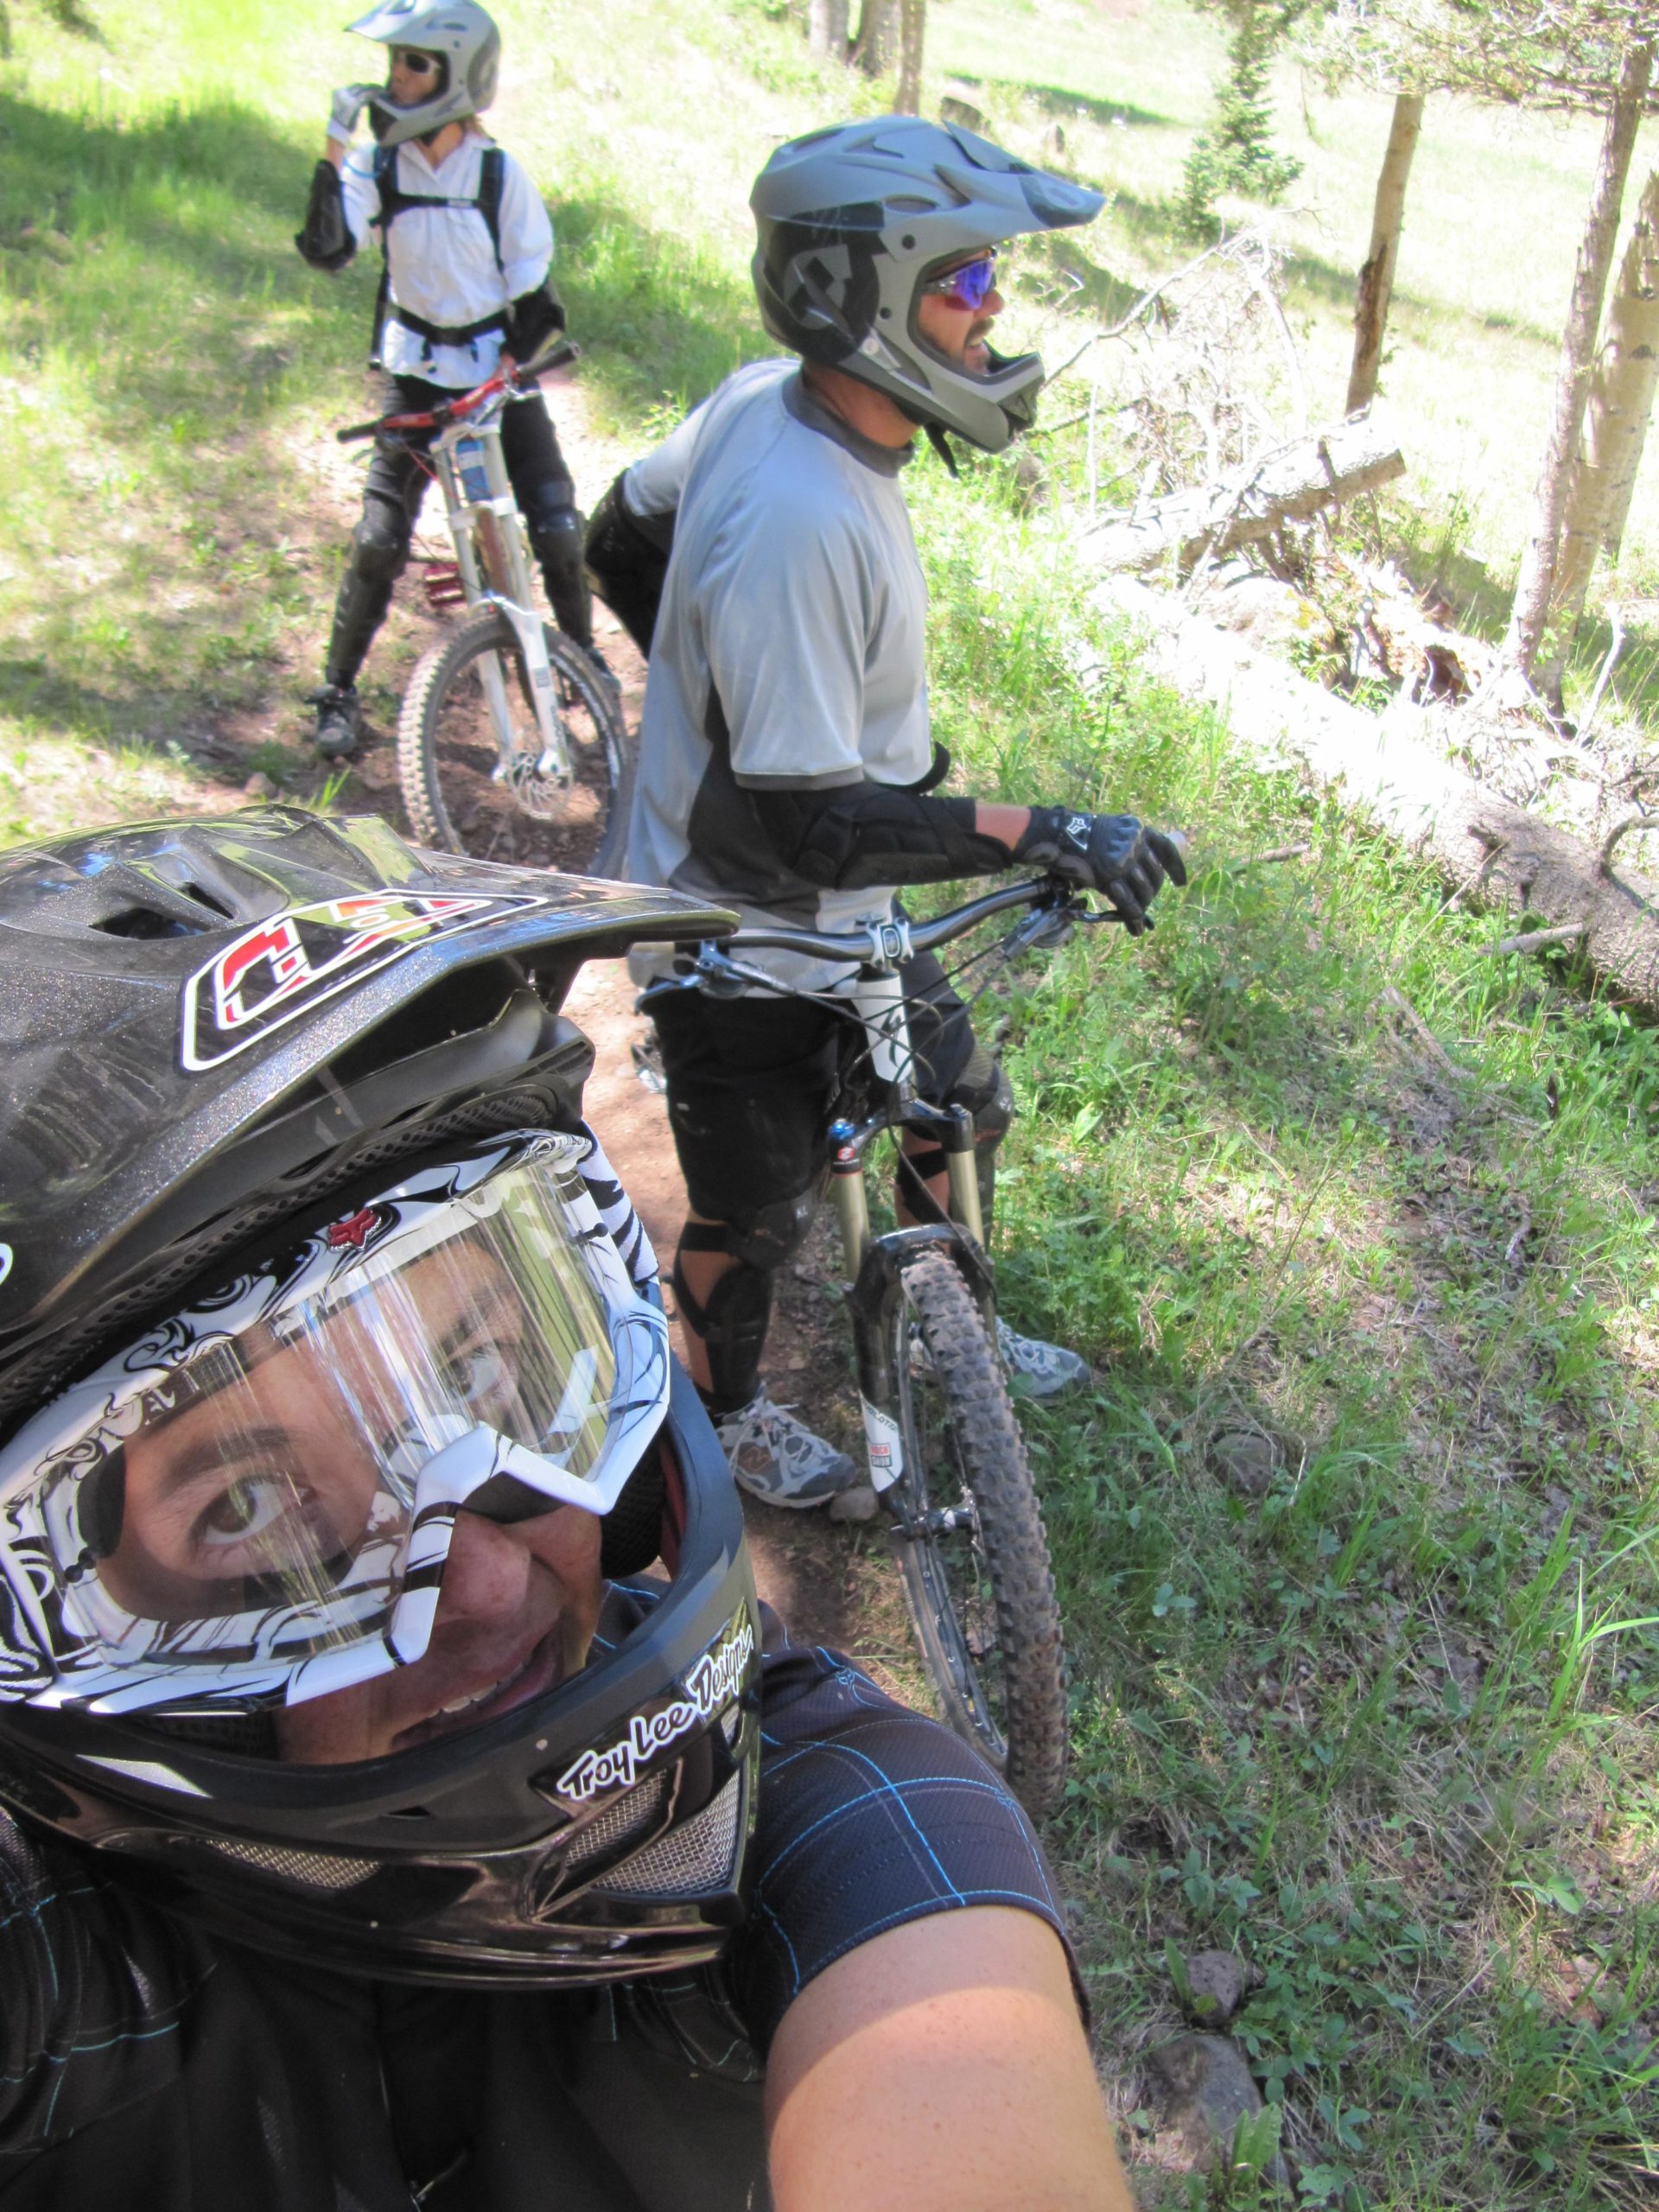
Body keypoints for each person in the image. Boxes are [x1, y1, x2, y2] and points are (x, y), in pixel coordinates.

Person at [0, 806, 1133, 2211]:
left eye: (493, 1372)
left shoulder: (821, 1790)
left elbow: (932, 1976)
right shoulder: (64, 1962)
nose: (485, 1587)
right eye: (247, 1504)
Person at [583, 118, 1186, 1509]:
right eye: (964, 280)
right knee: (759, 1208)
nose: (994, 306)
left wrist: (706, 674)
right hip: (738, 926)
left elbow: (622, 532)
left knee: (956, 1105)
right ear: (863, 295)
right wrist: (1042, 827)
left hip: (841, 902)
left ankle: (944, 1321)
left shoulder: (763, 403)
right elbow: (815, 831)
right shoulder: (802, 520)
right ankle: (724, 1421)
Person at [295, 2, 592, 761]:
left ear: (458, 76)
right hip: (417, 375)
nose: (396, 76)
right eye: (395, 60)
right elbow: (327, 250)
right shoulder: (378, 166)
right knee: (377, 539)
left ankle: (582, 667)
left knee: (557, 526)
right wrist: (334, 145)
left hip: (494, 375)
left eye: (415, 63)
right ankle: (336, 691)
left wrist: (507, 367)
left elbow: (539, 303)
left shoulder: (498, 175)